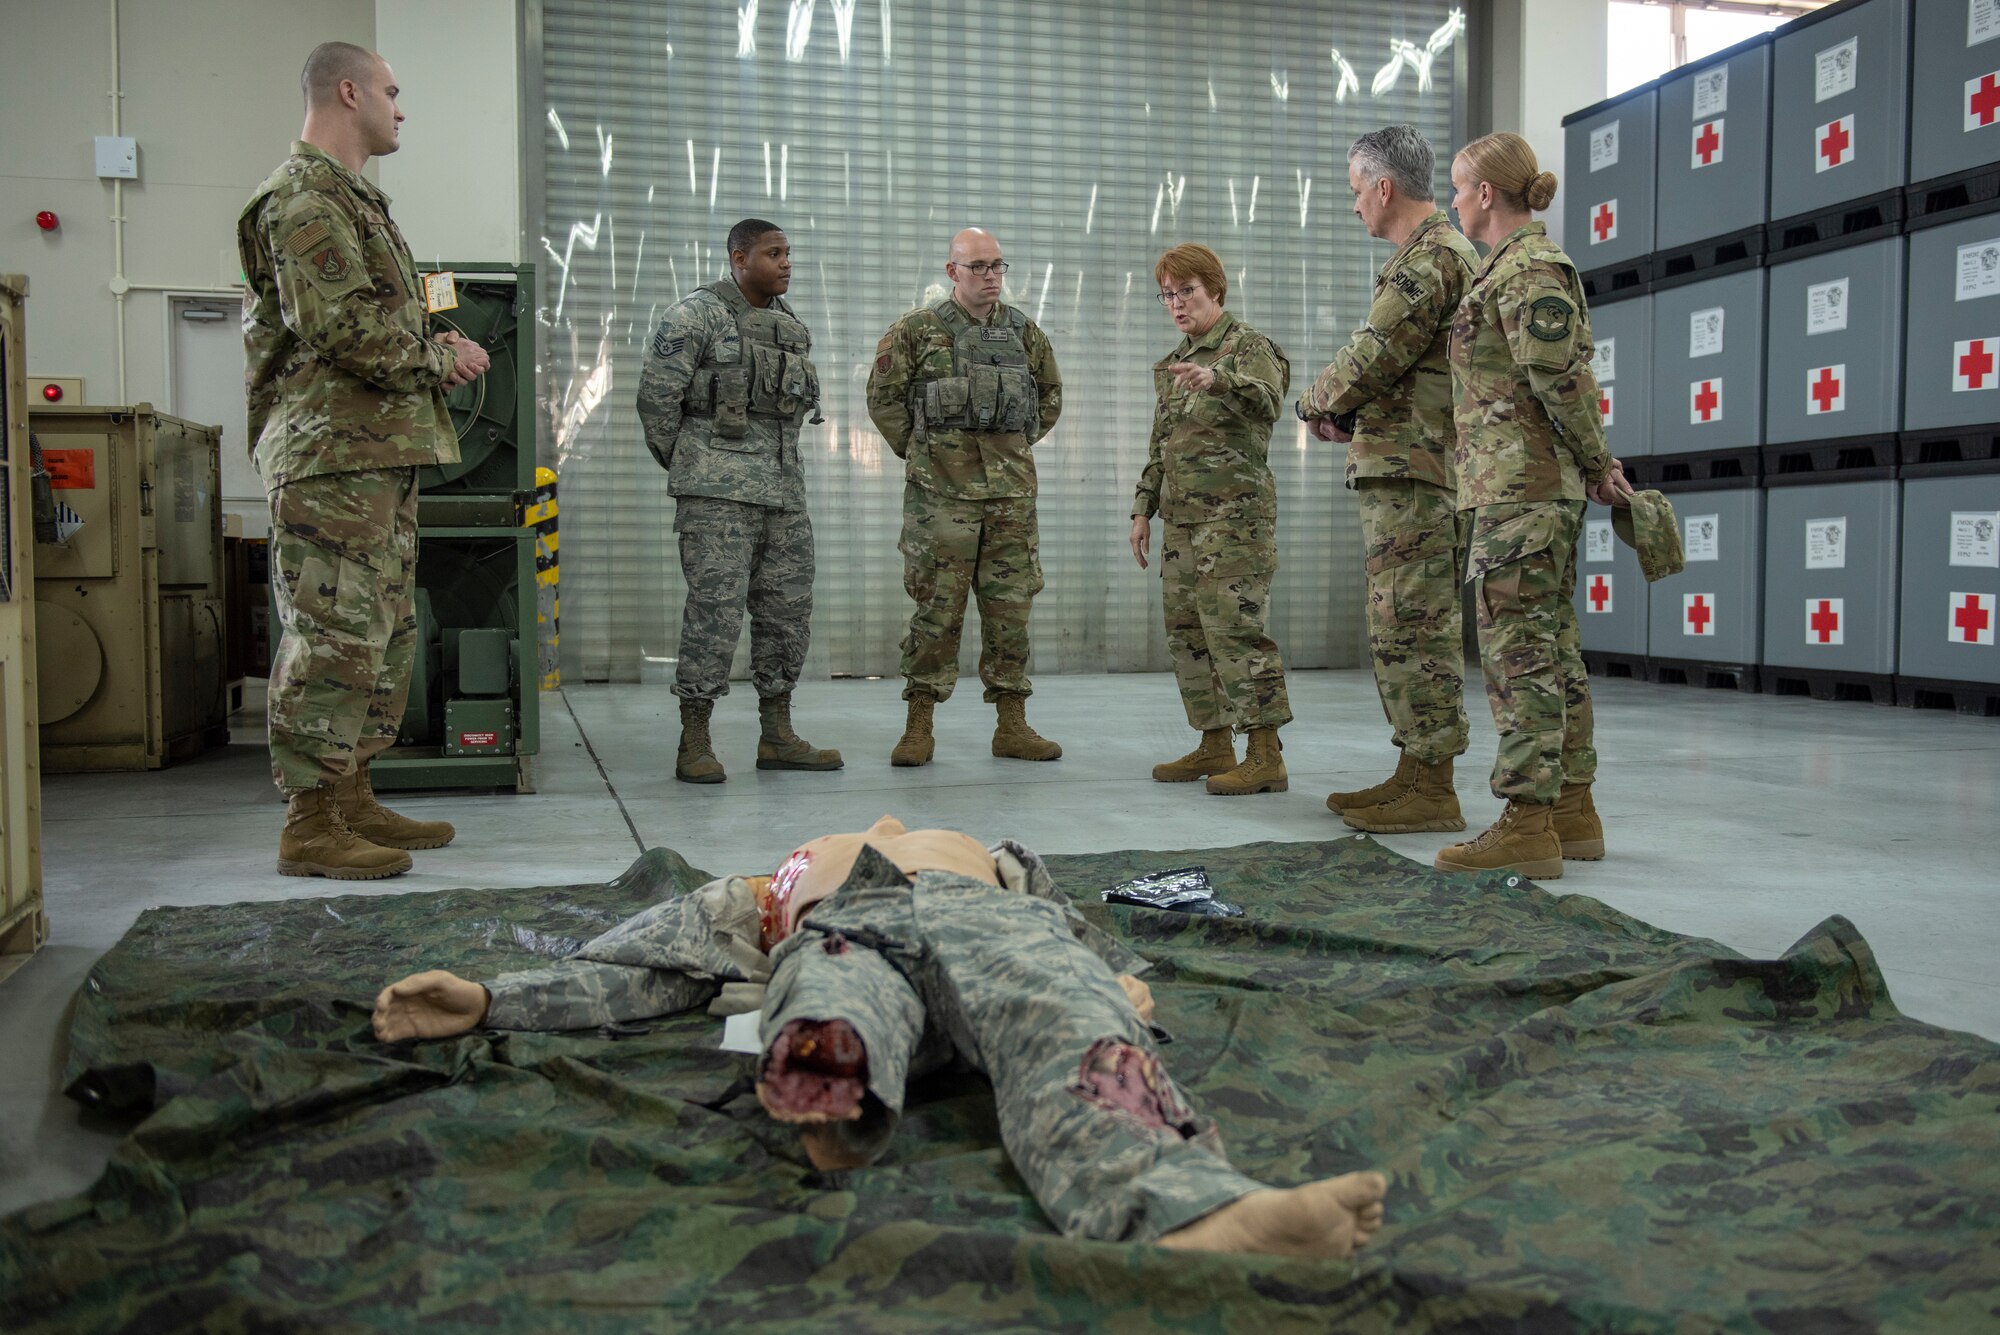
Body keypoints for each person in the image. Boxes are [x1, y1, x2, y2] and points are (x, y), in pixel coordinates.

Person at [374, 816, 1388, 1258]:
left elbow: (1069, 940)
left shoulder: (1001, 866)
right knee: (833, 990)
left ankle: (1195, 1212)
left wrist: (1105, 983)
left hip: (990, 928)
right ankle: (833, 1078)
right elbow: (639, 971)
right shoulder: (757, 894)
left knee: (1075, 1033)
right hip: (839, 932)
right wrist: (489, 997)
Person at [240, 41, 491, 881]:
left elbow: (370, 316)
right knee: (333, 636)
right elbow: (336, 326)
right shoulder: (304, 199)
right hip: (330, 458)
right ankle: (310, 822)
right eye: (391, 90)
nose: (401, 107)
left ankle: (351, 796)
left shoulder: (355, 201)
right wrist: (436, 360)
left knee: (381, 635)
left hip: (373, 454)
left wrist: (431, 336)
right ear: (349, 93)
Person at [1437, 133, 1633, 879]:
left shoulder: (1528, 272)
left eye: (1459, 188)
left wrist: (1597, 461)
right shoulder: (1505, 272)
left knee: (1518, 658)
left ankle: (1526, 821)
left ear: (1486, 193)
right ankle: (1571, 810)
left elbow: (1562, 382)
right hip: (1519, 487)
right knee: (1551, 651)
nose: (1454, 200)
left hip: (1522, 492)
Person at [1298, 126, 1479, 834]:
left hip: (1419, 472)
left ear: (1383, 187)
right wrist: (1357, 416)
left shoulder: (1428, 260)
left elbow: (1372, 354)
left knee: (1415, 624)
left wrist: (1317, 403)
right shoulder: (1431, 255)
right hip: (1409, 460)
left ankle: (1432, 784)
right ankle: (1414, 770)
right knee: (1401, 623)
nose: (1353, 208)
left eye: (1354, 192)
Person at [637, 219, 840, 784]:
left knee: (787, 613)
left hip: (783, 494)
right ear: (738, 258)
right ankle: (694, 738)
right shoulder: (693, 316)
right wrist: (697, 465)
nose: (785, 263)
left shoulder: (788, 324)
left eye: (788, 253)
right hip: (717, 498)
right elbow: (657, 402)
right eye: (773, 254)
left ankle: (777, 734)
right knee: (714, 614)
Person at [865, 229, 1065, 768]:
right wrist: (928, 454)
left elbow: (1049, 399)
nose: (992, 275)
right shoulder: (916, 331)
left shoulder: (1024, 333)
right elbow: (883, 400)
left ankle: (1012, 724)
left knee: (1011, 611)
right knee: (936, 611)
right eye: (978, 266)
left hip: (1009, 500)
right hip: (940, 499)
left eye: (998, 265)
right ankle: (919, 724)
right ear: (953, 272)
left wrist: (1009, 451)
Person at [1129, 245, 1293, 796]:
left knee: (1236, 632)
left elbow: (1271, 401)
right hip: (1180, 522)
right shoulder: (1173, 362)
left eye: (1187, 292)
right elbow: (1161, 445)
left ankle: (1265, 754)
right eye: (1168, 294)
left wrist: (1218, 380)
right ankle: (1214, 742)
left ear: (1215, 290)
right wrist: (1141, 508)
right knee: (1188, 634)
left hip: (1234, 520)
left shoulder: (1250, 348)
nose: (1176, 303)